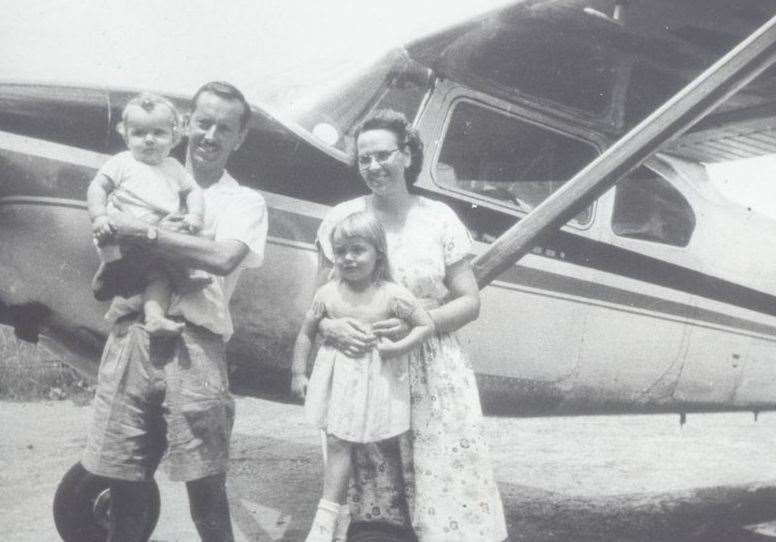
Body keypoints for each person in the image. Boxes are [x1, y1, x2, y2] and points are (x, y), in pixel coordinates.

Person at [299, 109, 508, 541]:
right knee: (373, 495)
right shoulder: (341, 218)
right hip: (362, 372)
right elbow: (320, 304)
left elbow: (470, 301)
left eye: (383, 155)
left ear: (408, 154)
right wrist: (330, 330)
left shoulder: (439, 218)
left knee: (444, 489)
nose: (373, 167)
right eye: (364, 159)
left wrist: (419, 323)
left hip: (432, 368)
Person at [81, 81, 267, 542]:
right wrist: (134, 239)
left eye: (224, 128)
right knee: (124, 487)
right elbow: (108, 280)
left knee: (206, 488)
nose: (210, 135)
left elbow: (223, 258)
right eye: (203, 123)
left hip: (196, 345)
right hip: (131, 336)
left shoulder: (246, 202)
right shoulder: (134, 178)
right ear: (185, 126)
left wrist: (143, 233)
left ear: (240, 138)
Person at [291, 211, 435, 542]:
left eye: (357, 250)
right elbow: (305, 333)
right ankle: (326, 522)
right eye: (340, 251)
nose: (348, 258)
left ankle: (387, 524)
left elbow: (425, 325)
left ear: (378, 254)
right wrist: (298, 372)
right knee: (338, 442)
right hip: (340, 382)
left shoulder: (392, 294)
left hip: (380, 386)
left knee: (384, 448)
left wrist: (400, 348)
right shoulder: (327, 293)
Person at [87, 92, 210, 336]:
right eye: (139, 133)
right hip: (123, 229)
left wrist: (195, 215)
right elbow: (98, 186)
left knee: (159, 278)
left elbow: (194, 191)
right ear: (127, 136)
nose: (149, 139)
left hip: (159, 233)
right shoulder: (122, 162)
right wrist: (99, 216)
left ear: (174, 137)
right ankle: (107, 274)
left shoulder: (174, 168)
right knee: (119, 255)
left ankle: (155, 318)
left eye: (159, 133)